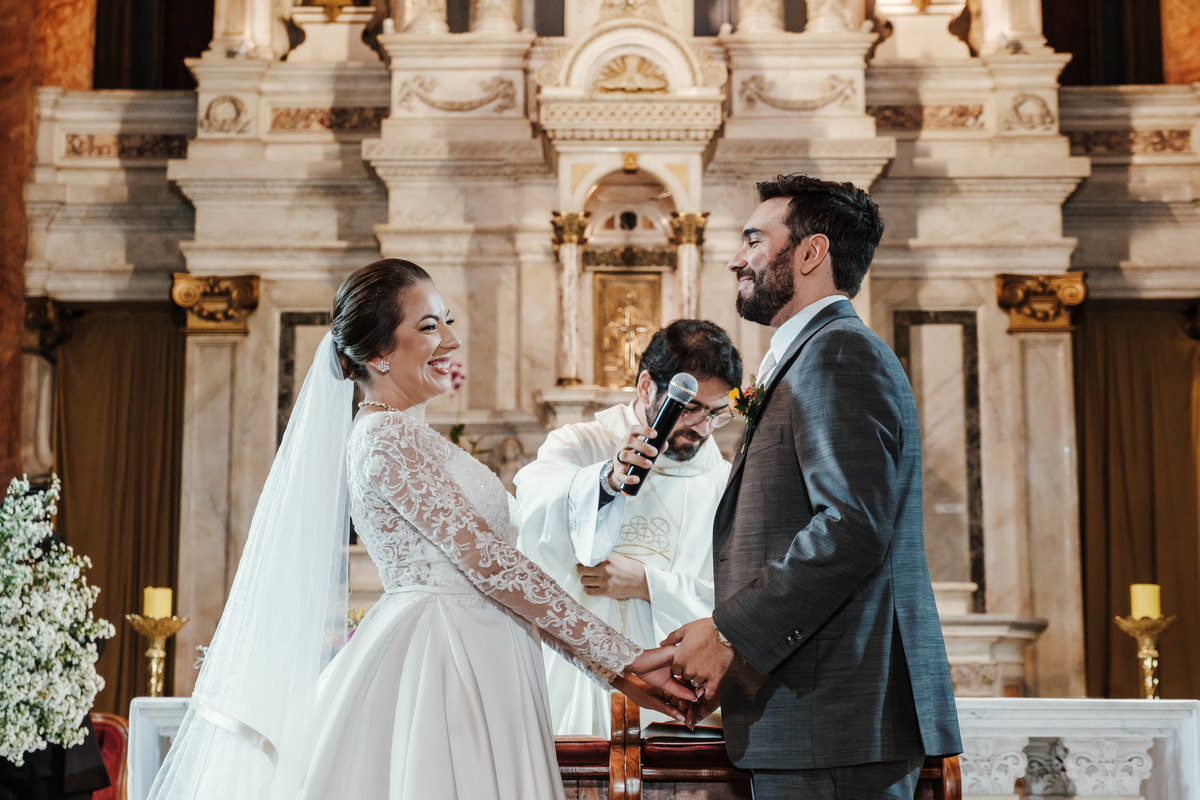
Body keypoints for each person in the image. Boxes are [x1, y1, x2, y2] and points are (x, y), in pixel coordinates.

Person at [148, 259, 694, 800]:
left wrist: (615, 671)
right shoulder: (386, 440)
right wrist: (621, 653)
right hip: (444, 665)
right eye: (429, 326)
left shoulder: (417, 438)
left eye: (448, 321)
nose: (451, 340)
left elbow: (506, 574)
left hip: (484, 653)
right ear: (380, 353)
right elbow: (490, 566)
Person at [665, 174, 962, 798]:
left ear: (810, 253)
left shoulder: (837, 355)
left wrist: (727, 634)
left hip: (835, 719)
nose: (735, 258)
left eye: (753, 240)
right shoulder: (817, 355)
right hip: (818, 717)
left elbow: (850, 528)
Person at [515, 319, 742, 736]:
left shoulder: (725, 481)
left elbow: (738, 598)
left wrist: (647, 583)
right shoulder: (582, 443)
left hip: (676, 686)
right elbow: (529, 511)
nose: (703, 429)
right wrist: (604, 481)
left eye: (715, 413)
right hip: (576, 676)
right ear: (645, 388)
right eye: (689, 408)